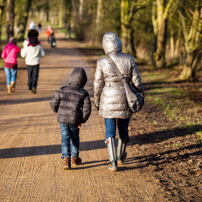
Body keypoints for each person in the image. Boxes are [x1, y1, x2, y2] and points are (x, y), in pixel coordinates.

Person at [94, 32, 144, 172]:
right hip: (125, 98)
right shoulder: (129, 58)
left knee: (110, 131)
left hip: (108, 100)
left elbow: (98, 85)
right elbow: (136, 80)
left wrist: (97, 102)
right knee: (123, 129)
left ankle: (113, 163)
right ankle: (121, 156)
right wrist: (141, 93)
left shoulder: (101, 62)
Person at [50, 67, 91, 170]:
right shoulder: (83, 92)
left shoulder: (62, 89)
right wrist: (82, 120)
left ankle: (66, 158)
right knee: (75, 138)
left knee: (65, 138)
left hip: (63, 119)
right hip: (74, 120)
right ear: (83, 81)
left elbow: (53, 102)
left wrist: (56, 110)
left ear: (71, 78)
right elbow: (87, 109)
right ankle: (74, 158)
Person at [21, 21, 45, 94]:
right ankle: (34, 87)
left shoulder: (26, 44)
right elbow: (43, 53)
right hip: (36, 62)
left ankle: (29, 87)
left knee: (29, 75)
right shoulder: (38, 44)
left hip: (28, 62)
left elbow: (22, 55)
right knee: (35, 75)